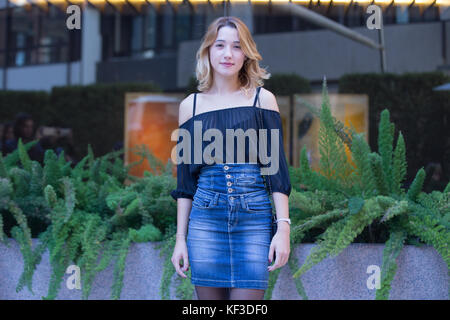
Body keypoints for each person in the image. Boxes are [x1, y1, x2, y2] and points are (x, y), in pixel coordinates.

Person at [170, 16, 291, 300]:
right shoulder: (191, 106)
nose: (228, 54)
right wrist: (180, 240)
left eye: (237, 46)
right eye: (220, 45)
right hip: (205, 221)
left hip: (254, 219)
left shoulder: (263, 100)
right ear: (207, 51)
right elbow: (185, 182)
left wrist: (283, 228)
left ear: (246, 52)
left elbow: (276, 171)